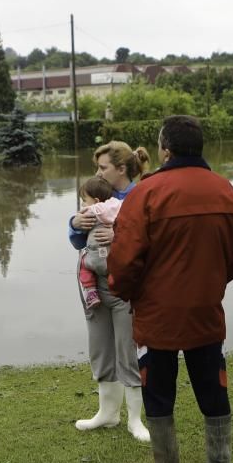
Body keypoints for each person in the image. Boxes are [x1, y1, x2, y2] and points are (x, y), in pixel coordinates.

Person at [108, 115, 233, 463]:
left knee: (158, 396)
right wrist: (212, 284)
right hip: (206, 313)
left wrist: (129, 293)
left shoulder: (147, 193)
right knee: (213, 391)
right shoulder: (224, 190)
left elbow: (124, 260)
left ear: (165, 149)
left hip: (156, 318)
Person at [69, 141, 150, 442]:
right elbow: (78, 239)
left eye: (103, 167)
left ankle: (135, 420)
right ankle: (107, 414)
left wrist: (119, 234)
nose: (98, 172)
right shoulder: (95, 193)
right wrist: (75, 223)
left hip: (124, 286)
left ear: (121, 168)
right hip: (93, 286)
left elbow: (151, 237)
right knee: (101, 349)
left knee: (127, 351)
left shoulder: (142, 194)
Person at [77, 176, 123, 309]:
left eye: (84, 201)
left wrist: (75, 222)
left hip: (94, 262)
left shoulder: (90, 214)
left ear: (96, 201)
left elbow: (77, 240)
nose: (83, 204)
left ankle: (90, 292)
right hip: (112, 261)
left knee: (83, 264)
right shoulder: (116, 207)